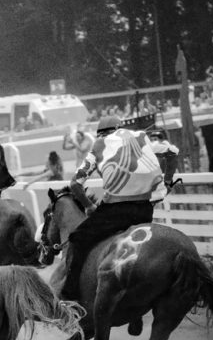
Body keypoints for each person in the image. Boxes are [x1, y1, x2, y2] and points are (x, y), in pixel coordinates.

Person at [60, 116, 165, 302]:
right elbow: (171, 153)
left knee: (77, 238)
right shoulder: (141, 137)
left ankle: (70, 294)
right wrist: (169, 182)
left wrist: (90, 206)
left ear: (101, 134)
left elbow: (75, 184)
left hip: (115, 211)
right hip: (145, 211)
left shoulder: (100, 144)